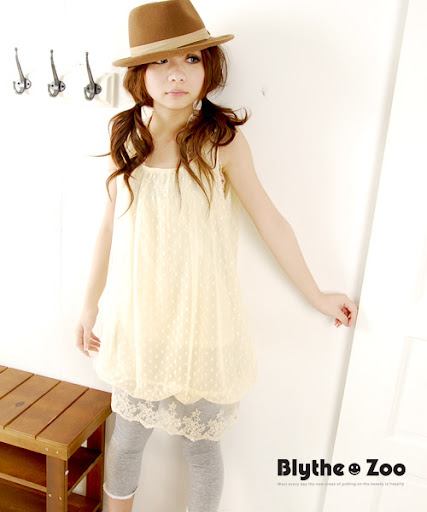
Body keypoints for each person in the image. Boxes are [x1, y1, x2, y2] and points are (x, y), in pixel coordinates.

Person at [75, 1, 358, 511]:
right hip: (140, 322)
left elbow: (270, 220)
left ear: (209, 68)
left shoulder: (221, 141)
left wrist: (316, 295)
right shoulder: (127, 137)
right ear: (140, 75)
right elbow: (108, 228)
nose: (177, 74)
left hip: (203, 324)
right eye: (161, 62)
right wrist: (88, 306)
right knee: (129, 438)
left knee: (202, 448)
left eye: (191, 59)